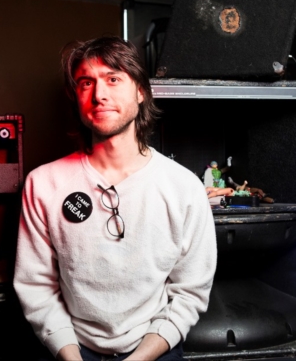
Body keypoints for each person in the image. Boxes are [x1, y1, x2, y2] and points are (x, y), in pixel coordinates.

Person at [13, 36, 217, 361]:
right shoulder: (43, 184)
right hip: (70, 349)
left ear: (141, 91)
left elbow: (190, 292)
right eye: (86, 82)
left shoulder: (184, 187)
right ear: (76, 96)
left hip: (154, 348)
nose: (99, 95)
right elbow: (37, 287)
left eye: (113, 79)